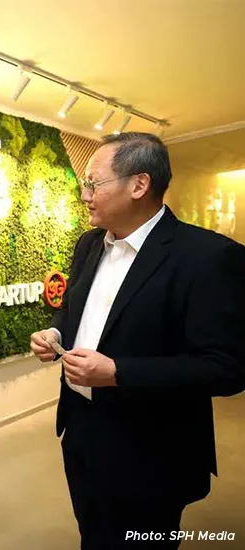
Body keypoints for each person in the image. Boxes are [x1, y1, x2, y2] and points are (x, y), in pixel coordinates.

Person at [30, 133, 245, 549]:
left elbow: (227, 368)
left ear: (139, 185)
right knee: (92, 535)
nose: (85, 194)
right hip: (82, 431)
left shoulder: (206, 257)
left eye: (94, 183)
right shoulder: (90, 243)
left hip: (152, 450)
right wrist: (56, 331)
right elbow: (75, 309)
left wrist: (118, 373)